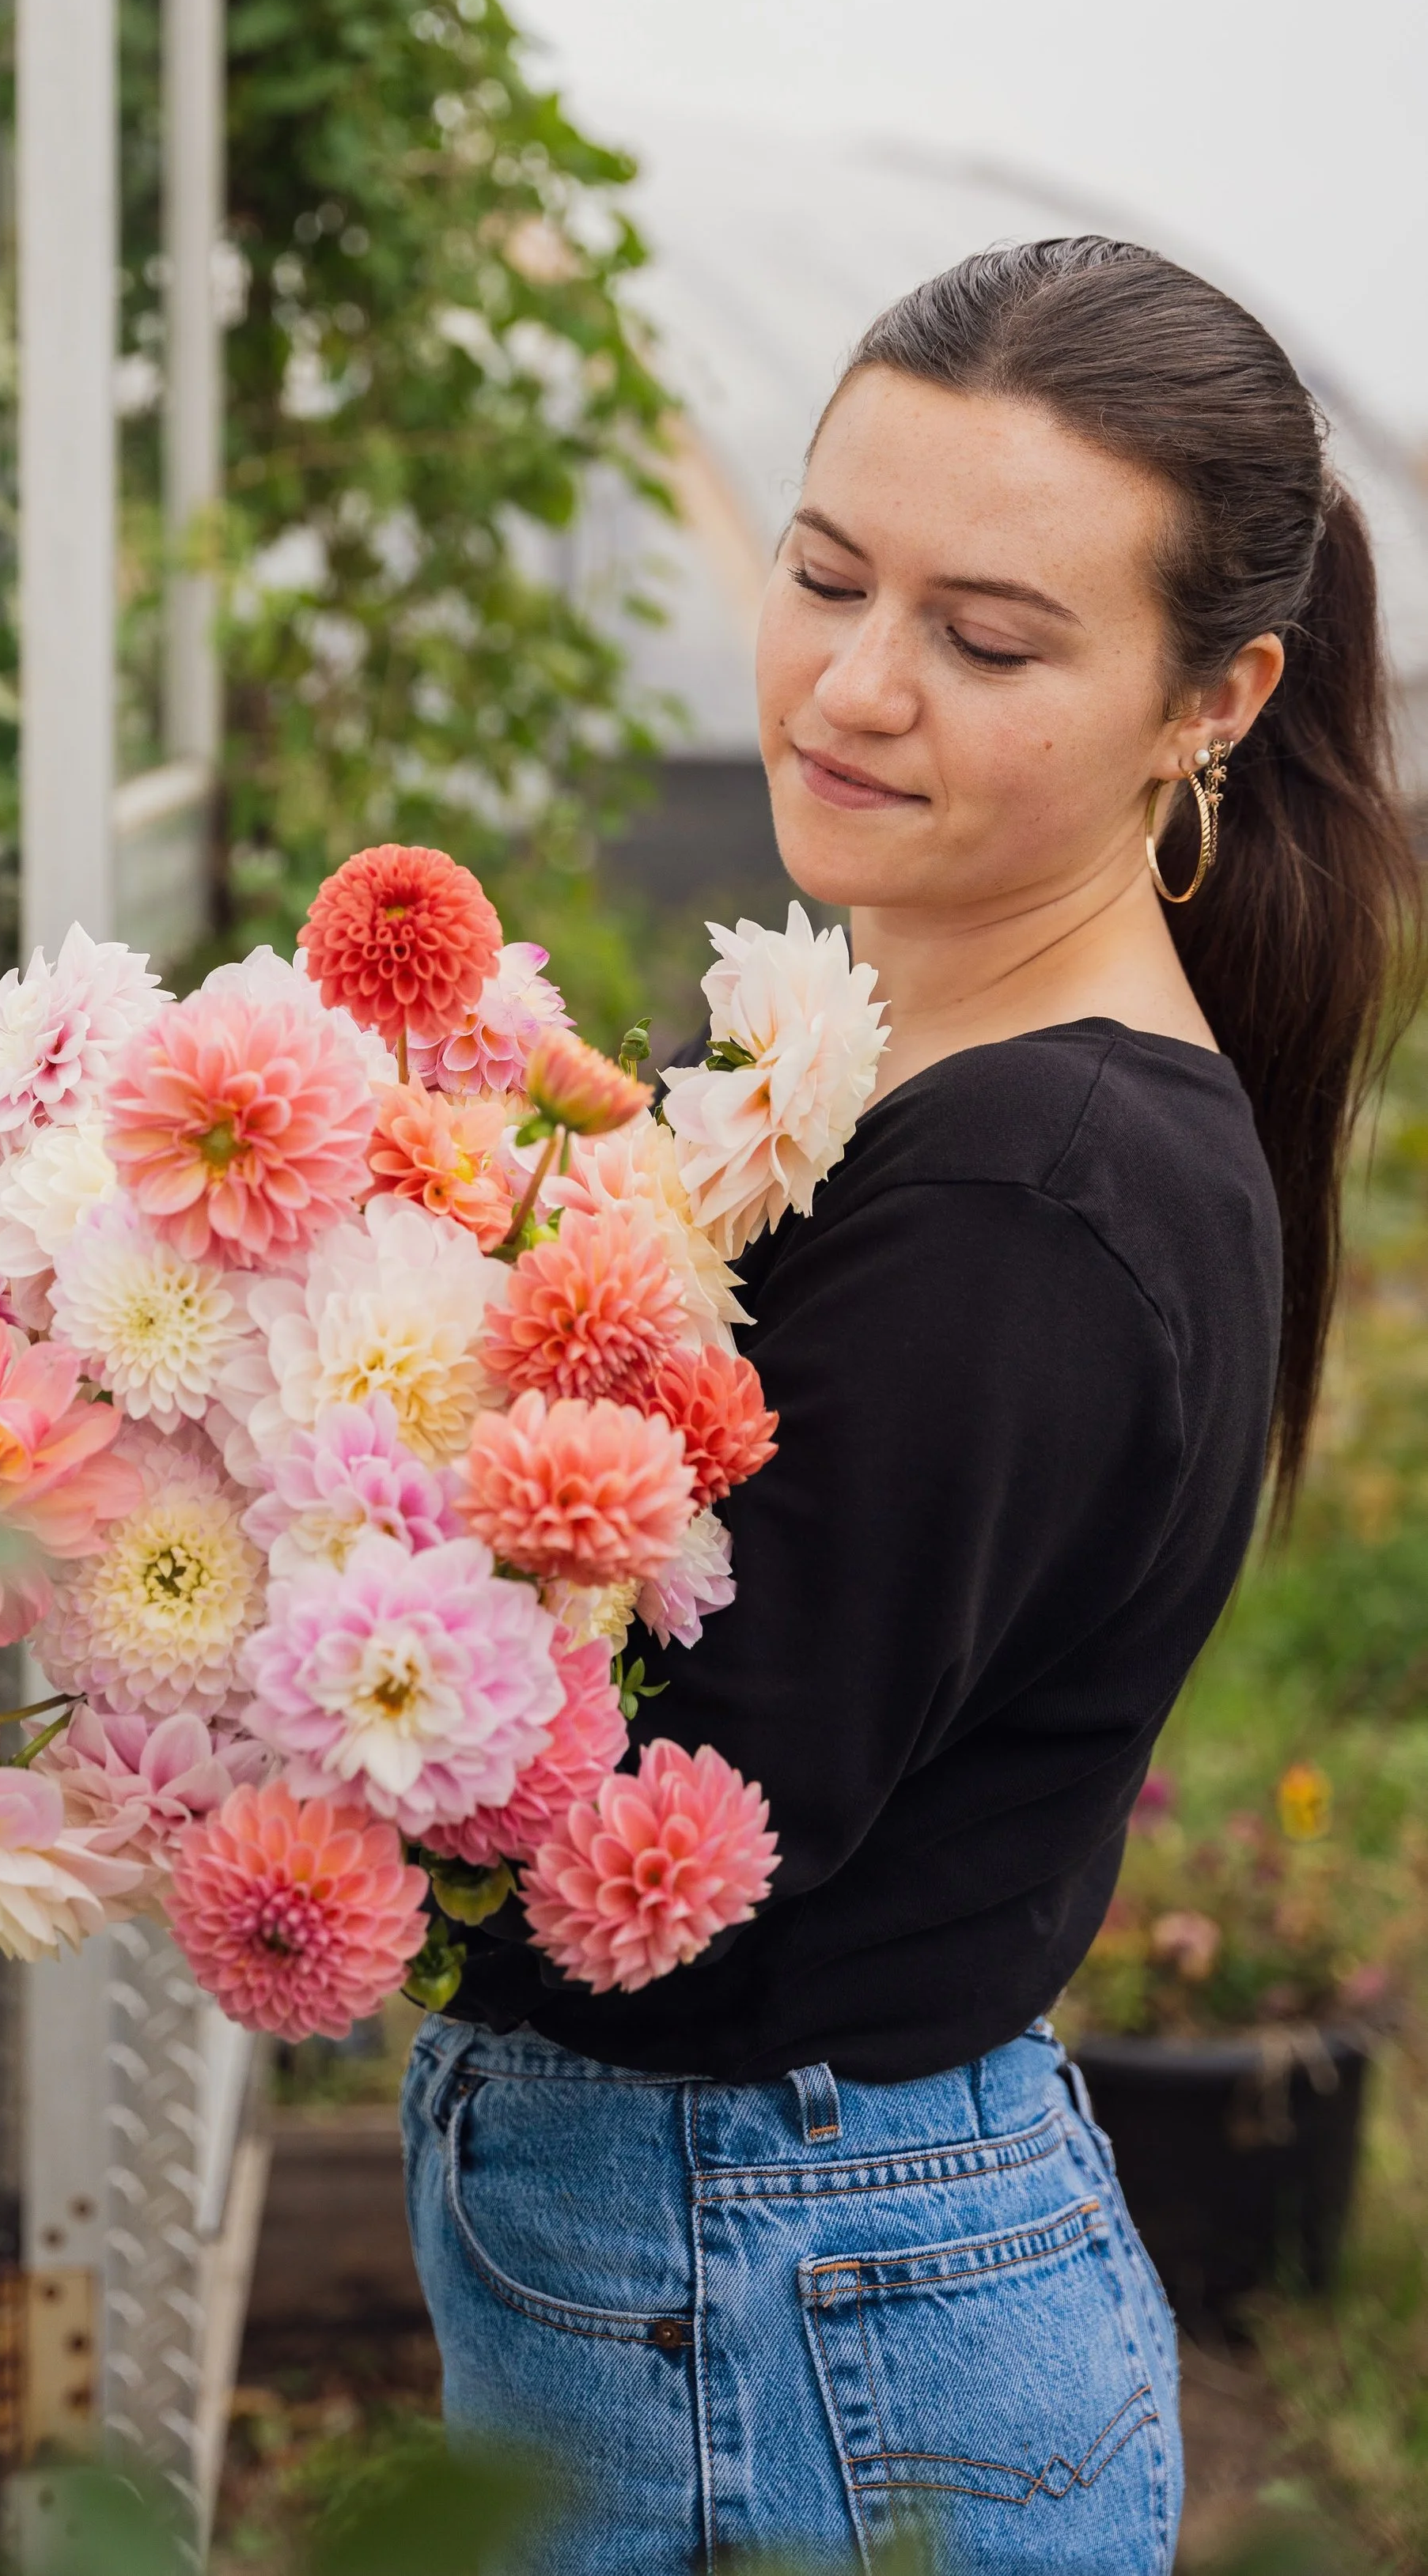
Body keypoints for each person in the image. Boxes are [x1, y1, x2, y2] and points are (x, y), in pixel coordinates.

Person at [402, 238, 1424, 2574]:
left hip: (780, 2312)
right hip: (767, 2280)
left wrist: (285, 1623)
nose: (851, 689)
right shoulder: (865, 1041)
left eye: (983, 640)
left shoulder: (1033, 1197)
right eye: (821, 576)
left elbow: (667, 1854)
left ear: (1211, 698)